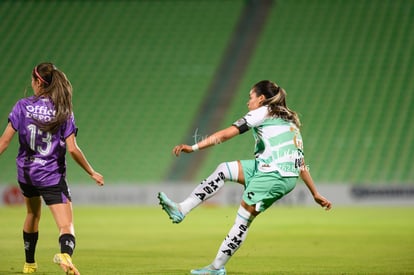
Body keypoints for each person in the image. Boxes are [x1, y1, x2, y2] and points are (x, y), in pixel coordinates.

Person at [158, 80, 332, 275]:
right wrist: (315, 193)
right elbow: (299, 161)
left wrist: (194, 147)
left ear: (261, 99)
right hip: (270, 169)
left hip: (273, 175)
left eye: (250, 97)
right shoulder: (290, 122)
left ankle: (216, 267)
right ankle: (182, 209)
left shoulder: (262, 112)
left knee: (243, 219)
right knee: (224, 169)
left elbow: (226, 135)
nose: (248, 101)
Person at [0, 62, 104, 274]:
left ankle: (29, 264)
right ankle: (65, 255)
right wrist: (91, 171)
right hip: (51, 177)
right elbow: (73, 150)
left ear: (39, 82)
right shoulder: (63, 111)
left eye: (32, 80)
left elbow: (3, 143)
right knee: (66, 227)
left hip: (26, 175)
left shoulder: (22, 106)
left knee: (32, 215)